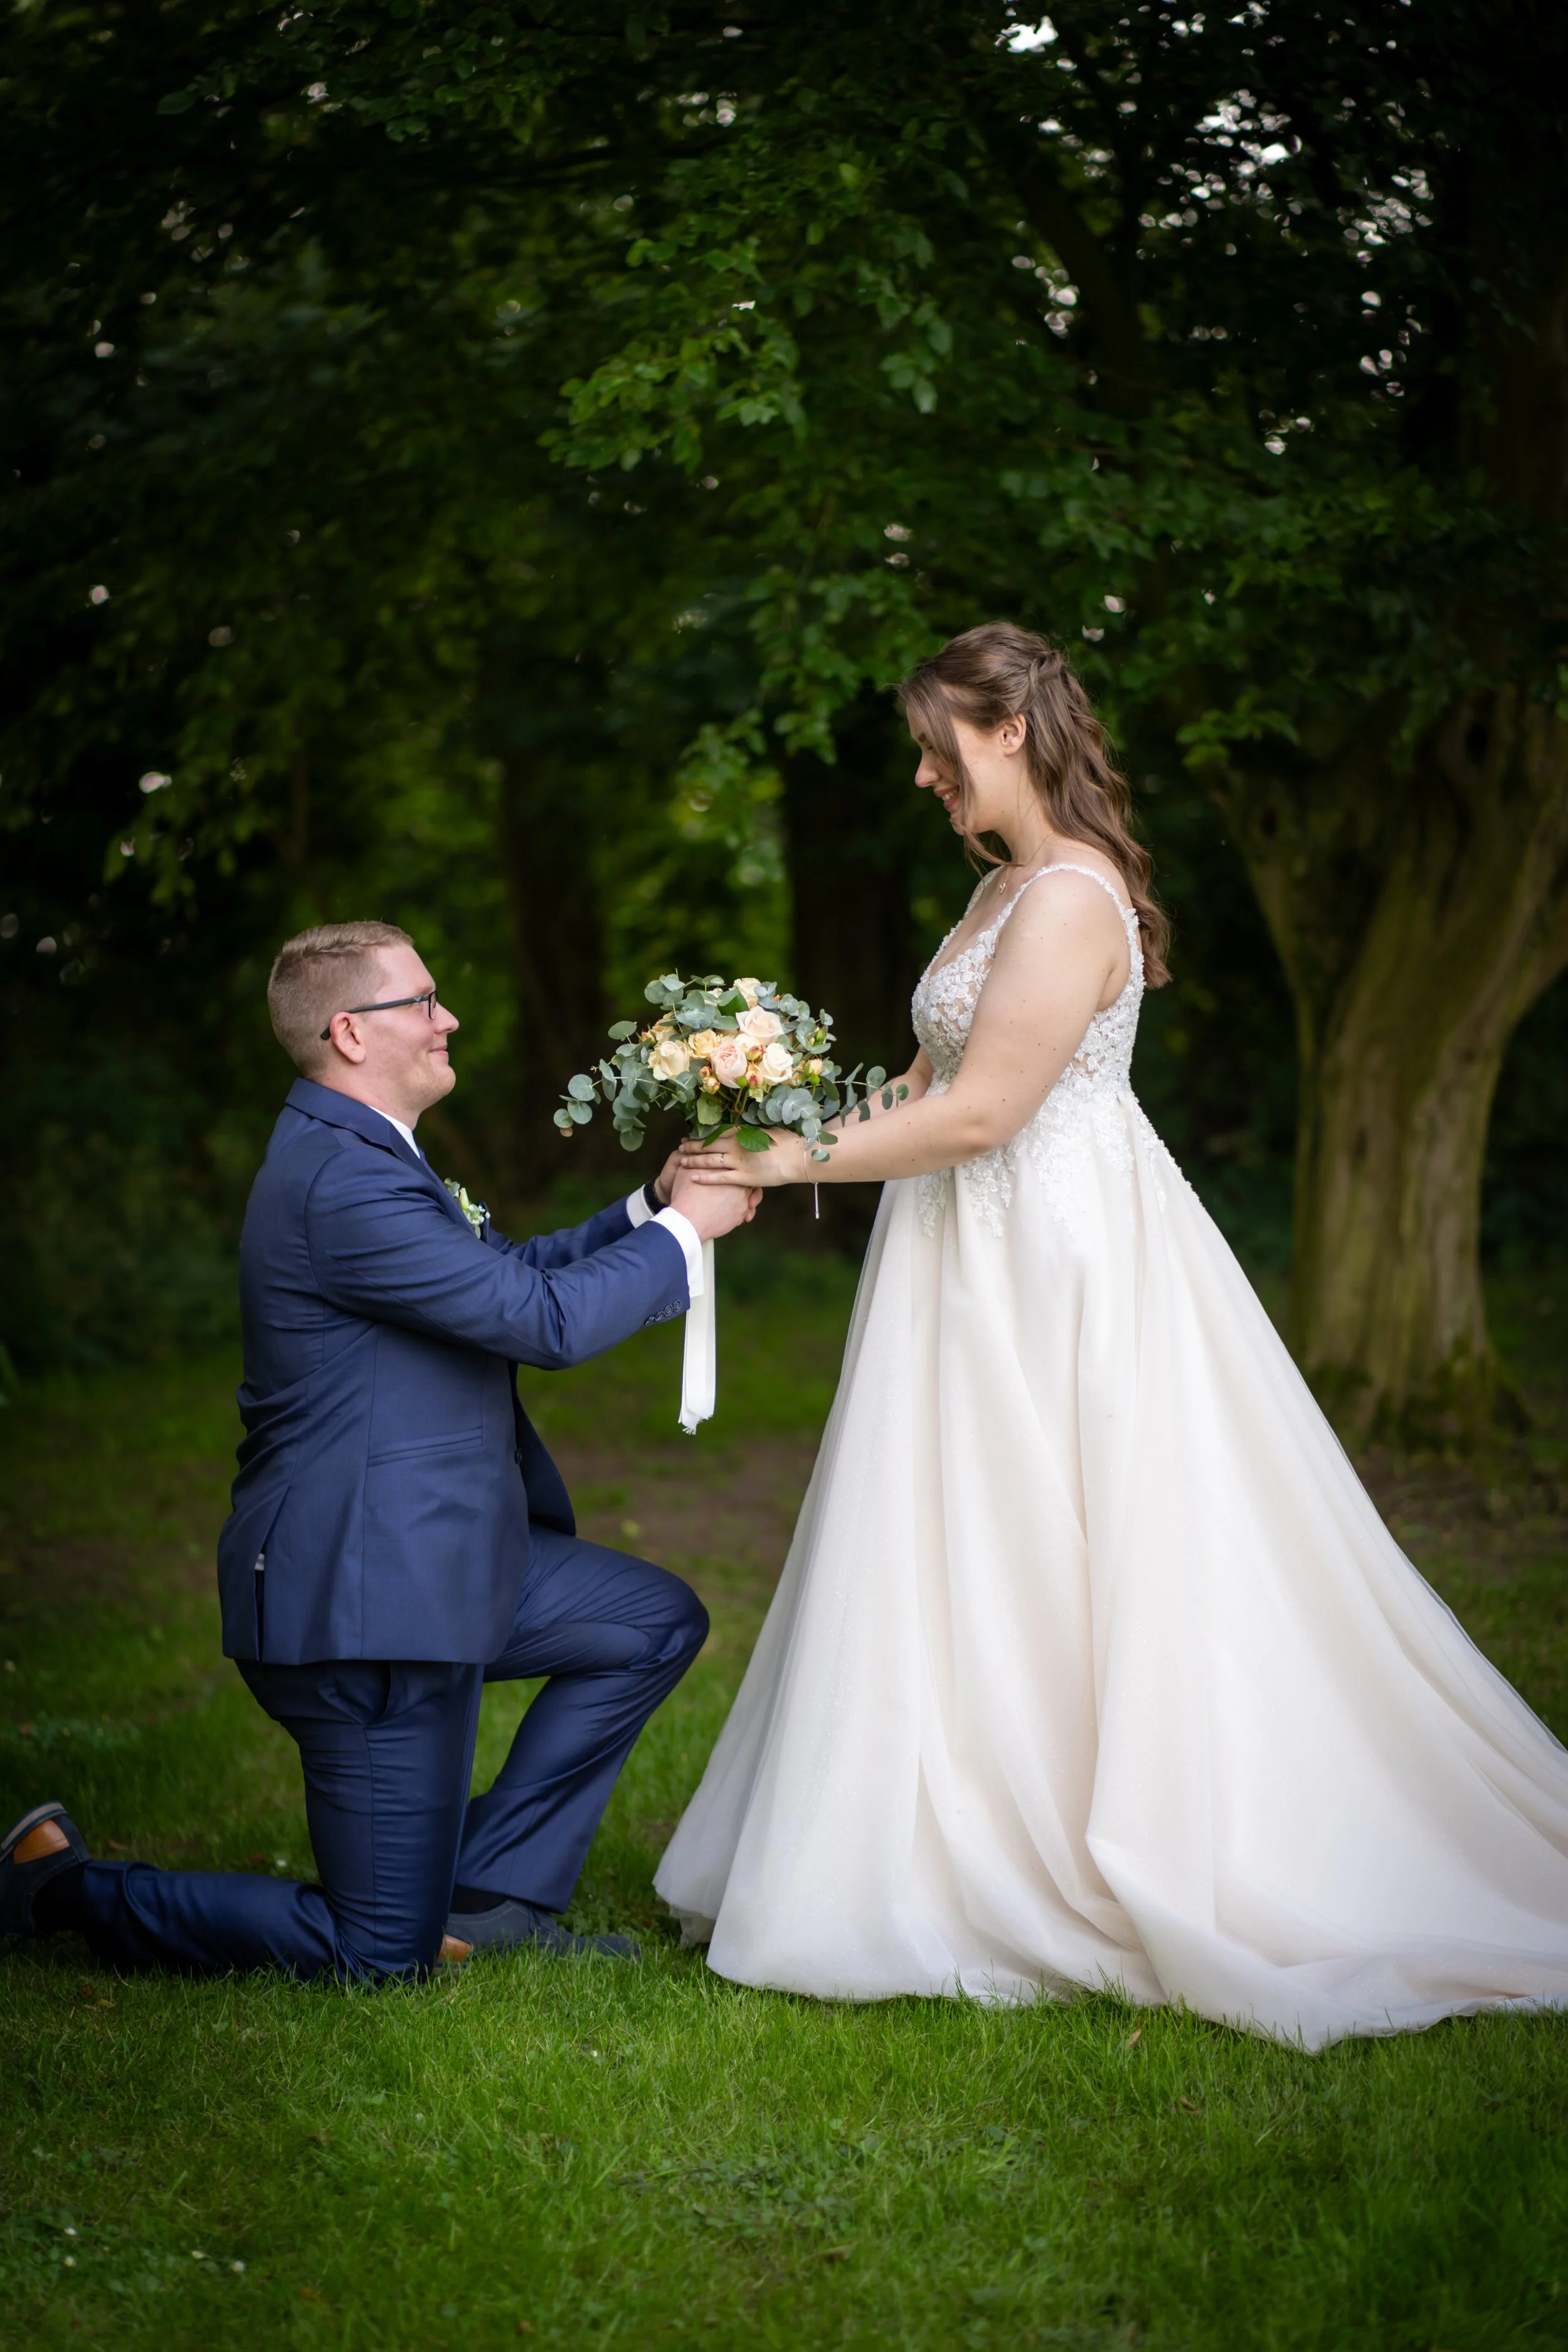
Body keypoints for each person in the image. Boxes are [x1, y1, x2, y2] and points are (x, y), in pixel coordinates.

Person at [660, 622, 1568, 2048]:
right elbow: (918, 1078)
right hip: (961, 1246)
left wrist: (786, 1172)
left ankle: (1094, 1836)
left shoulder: (1071, 896)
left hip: (1052, 1251)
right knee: (955, 1530)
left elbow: (982, 1114)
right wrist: (759, 1142)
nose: (919, 777)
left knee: (1066, 1528)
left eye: (932, 745)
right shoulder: (998, 892)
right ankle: (928, 1833)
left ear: (1006, 729)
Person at [2, 920, 758, 1980]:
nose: (448, 1018)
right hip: (366, 1601)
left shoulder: (373, 1154)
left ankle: (493, 1896)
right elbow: (542, 1322)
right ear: (351, 1032)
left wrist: (652, 1207)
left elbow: (512, 1278)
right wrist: (691, 1235)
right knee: (378, 1955)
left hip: (445, 1557)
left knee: (649, 1621)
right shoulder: (340, 1182)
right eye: (425, 1001)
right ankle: (62, 1885)